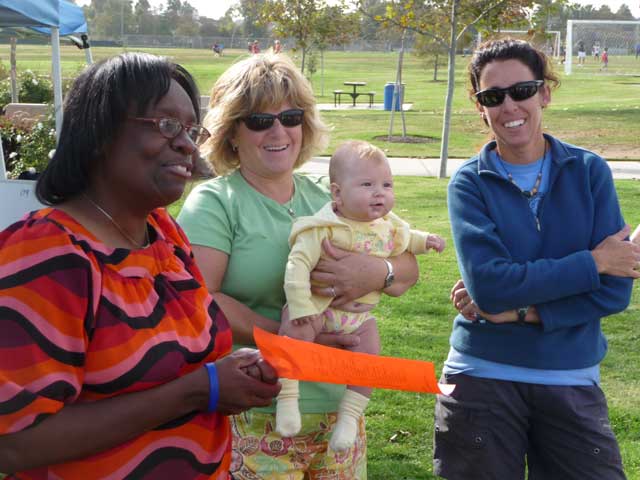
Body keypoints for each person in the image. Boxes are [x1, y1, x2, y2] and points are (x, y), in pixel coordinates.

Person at [0, 52, 282, 479]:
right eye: (166, 125)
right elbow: (16, 444)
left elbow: (183, 357)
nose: (187, 143)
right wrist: (196, 391)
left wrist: (231, 372)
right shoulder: (46, 254)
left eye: (191, 129)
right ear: (99, 132)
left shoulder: (162, 234)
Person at [177, 53, 419, 479]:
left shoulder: (330, 197)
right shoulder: (215, 202)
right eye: (258, 120)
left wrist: (375, 272)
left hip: (339, 408)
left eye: (290, 116)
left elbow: (406, 268)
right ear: (232, 131)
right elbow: (200, 301)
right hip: (257, 406)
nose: (278, 131)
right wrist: (295, 342)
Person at [434, 38, 640, 480]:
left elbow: (615, 291)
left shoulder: (590, 172)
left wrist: (519, 311)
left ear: (544, 92)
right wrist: (593, 262)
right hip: (480, 377)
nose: (509, 106)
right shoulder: (469, 184)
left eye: (521, 91)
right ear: (480, 106)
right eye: (493, 97)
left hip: (570, 375)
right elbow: (490, 286)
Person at [276, 140, 445, 451]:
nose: (379, 192)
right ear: (337, 193)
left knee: (369, 353)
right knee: (293, 333)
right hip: (317, 310)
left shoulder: (387, 228)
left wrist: (426, 241)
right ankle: (287, 396)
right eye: (367, 184)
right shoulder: (324, 228)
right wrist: (301, 307)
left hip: (358, 319)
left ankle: (350, 416)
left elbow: (407, 241)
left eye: (387, 184)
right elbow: (297, 264)